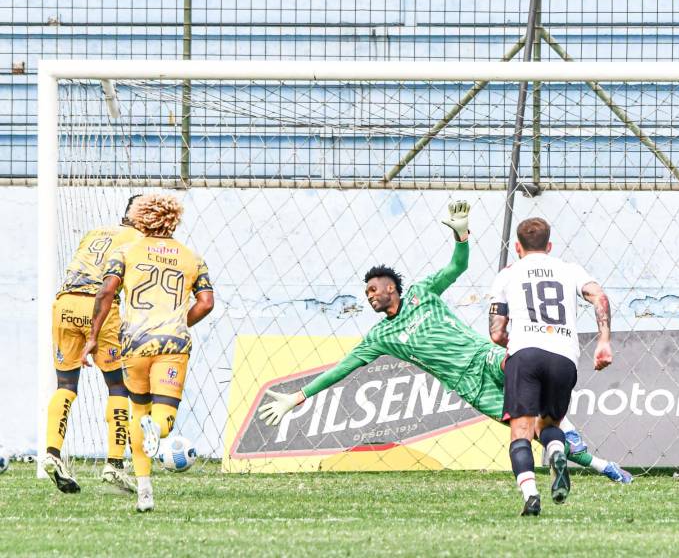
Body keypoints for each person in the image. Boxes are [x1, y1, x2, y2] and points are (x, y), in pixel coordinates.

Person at [258, 202, 629, 484]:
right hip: (468, 386)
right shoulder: (380, 337)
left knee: (532, 382)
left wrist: (461, 236)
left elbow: (457, 267)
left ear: (391, 288)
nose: (369, 296)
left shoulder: (422, 292)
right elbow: (344, 369)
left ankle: (572, 433)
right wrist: (296, 397)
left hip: (484, 357)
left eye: (373, 289)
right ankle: (604, 467)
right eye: (367, 292)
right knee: (531, 429)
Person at [82, 194, 214, 512]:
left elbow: (106, 291)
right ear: (174, 219)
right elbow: (207, 302)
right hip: (172, 344)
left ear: (140, 218)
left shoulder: (125, 252)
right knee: (162, 420)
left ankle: (144, 493)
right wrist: (180, 323)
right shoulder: (192, 257)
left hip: (134, 344)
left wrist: (93, 336)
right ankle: (157, 429)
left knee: (138, 413)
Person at [489, 216, 613, 516]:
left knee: (522, 430)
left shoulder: (507, 274)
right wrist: (604, 341)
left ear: (517, 246)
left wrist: (512, 343)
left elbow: (496, 332)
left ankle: (531, 495)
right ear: (550, 245)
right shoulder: (569, 270)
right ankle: (557, 451)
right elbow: (599, 296)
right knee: (549, 425)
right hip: (563, 356)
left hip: (526, 353)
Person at [43, 195, 143, 495]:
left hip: (65, 304)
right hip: (99, 306)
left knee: (65, 385)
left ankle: (52, 453)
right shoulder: (139, 241)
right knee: (117, 386)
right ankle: (114, 463)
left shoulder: (95, 232)